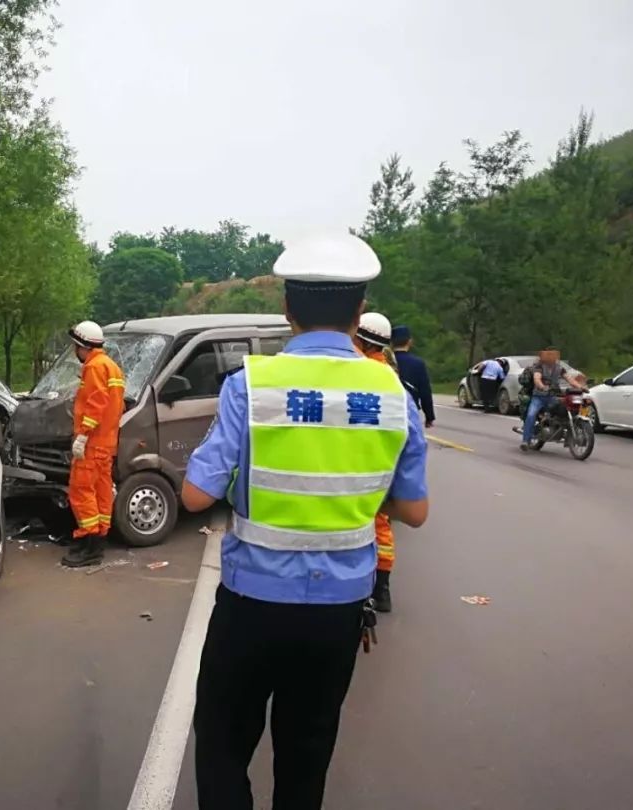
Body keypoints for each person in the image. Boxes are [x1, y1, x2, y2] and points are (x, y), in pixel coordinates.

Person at [181, 233, 429, 810]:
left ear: (287, 311)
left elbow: (195, 496)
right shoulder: (393, 395)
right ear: (360, 311)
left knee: (222, 744)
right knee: (306, 752)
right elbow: (414, 511)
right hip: (338, 611)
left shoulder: (252, 386)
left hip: (251, 605)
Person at [61, 321, 125, 568]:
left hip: (93, 443)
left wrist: (83, 434)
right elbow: (116, 406)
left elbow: (96, 403)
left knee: (81, 491)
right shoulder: (112, 367)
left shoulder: (94, 367)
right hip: (106, 443)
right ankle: (97, 540)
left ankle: (90, 546)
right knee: (101, 491)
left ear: (81, 346)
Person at [354, 311, 399, 613]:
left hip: (356, 459)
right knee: (381, 524)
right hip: (383, 461)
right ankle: (382, 590)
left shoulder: (357, 373)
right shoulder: (390, 377)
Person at [520, 347, 586, 451]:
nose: (552, 358)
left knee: (565, 410)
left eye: (553, 355)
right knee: (531, 415)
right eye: (549, 355)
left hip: (552, 397)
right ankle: (525, 440)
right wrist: (542, 386)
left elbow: (570, 379)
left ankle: (562, 431)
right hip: (539, 397)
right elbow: (537, 379)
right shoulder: (539, 366)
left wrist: (580, 387)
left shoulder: (559, 368)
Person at [391, 325, 435, 428]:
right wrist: (429, 416)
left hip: (389, 409)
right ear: (409, 342)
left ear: (392, 342)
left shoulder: (385, 361)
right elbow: (425, 392)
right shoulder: (417, 363)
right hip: (410, 411)